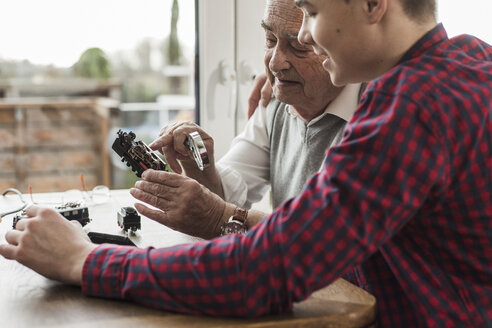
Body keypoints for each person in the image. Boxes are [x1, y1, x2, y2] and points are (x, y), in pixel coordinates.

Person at [0, 0, 491, 326]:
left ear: (371, 4)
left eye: (313, 12)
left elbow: (264, 271)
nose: (306, 33)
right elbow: (326, 238)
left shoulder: (409, 107)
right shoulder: (471, 62)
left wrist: (84, 261)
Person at [129, 0, 362, 239]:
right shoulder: (275, 99)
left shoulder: (377, 113)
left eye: (299, 46)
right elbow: (228, 192)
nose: (274, 63)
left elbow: (322, 237)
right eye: (270, 40)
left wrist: (219, 217)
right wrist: (198, 164)